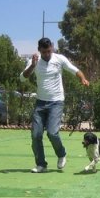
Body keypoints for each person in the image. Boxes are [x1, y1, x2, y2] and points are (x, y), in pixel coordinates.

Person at [20, 37, 89, 173]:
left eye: (49, 51)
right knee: (36, 135)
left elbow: (74, 70)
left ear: (52, 48)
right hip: (40, 103)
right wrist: (32, 66)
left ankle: (62, 154)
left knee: (52, 133)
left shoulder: (59, 59)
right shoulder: (34, 61)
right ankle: (41, 165)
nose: (47, 54)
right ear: (39, 50)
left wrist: (83, 79)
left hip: (56, 102)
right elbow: (22, 78)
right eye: (44, 52)